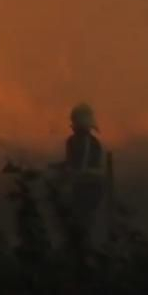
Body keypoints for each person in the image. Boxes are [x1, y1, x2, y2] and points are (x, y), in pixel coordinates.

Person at [56, 103, 107, 250]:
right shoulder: (83, 142)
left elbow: (79, 167)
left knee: (82, 223)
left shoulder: (84, 142)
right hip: (85, 188)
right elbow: (73, 163)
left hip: (86, 189)